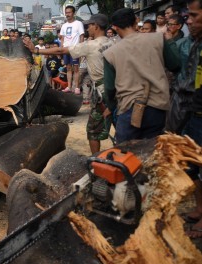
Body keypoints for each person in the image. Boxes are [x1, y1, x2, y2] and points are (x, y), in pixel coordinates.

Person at [25, 14, 114, 154]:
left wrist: (36, 50)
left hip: (103, 93)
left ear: (96, 26)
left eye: (89, 26)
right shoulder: (112, 42)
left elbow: (61, 50)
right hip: (116, 89)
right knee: (120, 126)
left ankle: (95, 159)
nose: (87, 29)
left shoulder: (91, 45)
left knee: (92, 131)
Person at [103, 8, 181, 144]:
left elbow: (109, 89)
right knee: (153, 154)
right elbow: (175, 65)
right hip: (157, 107)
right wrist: (170, 41)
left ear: (115, 27)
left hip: (128, 108)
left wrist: (111, 106)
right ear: (136, 22)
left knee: (125, 155)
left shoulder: (110, 53)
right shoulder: (158, 39)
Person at [164, 0, 202, 238]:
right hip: (191, 113)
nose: (189, 20)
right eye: (187, 16)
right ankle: (199, 208)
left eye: (194, 16)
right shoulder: (192, 43)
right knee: (194, 165)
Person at [59, 5, 84, 94]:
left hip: (75, 49)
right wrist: (61, 48)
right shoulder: (64, 25)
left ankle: (77, 87)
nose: (67, 14)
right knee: (68, 68)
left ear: (73, 13)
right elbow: (62, 38)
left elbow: (81, 36)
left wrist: (80, 48)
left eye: (69, 12)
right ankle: (69, 86)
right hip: (66, 49)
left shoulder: (78, 23)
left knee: (76, 69)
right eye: (66, 13)